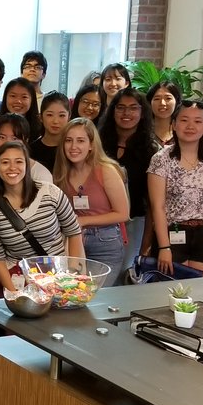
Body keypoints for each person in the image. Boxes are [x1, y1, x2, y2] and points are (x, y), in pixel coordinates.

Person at [0, 141, 85, 291]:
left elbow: (73, 231)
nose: (12, 167)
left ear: (27, 166)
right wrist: (14, 293)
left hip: (59, 276)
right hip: (21, 280)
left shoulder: (50, 192)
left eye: (19, 161)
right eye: (5, 162)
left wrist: (72, 274)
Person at [147, 100, 203, 276]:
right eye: (184, 120)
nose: (191, 126)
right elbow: (158, 206)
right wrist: (164, 246)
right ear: (174, 125)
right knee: (173, 294)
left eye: (198, 121)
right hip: (172, 233)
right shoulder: (160, 159)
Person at [52, 118, 130, 286]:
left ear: (91, 145)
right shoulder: (61, 173)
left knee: (93, 296)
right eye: (69, 140)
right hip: (72, 241)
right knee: (73, 295)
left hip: (105, 243)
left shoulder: (106, 170)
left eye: (80, 141)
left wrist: (83, 221)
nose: (73, 147)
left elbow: (123, 214)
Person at [98, 88, 161, 267]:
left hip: (134, 222)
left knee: (125, 273)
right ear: (113, 112)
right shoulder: (99, 144)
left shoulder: (152, 150)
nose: (126, 113)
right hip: (99, 221)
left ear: (142, 113)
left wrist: (146, 243)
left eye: (133, 108)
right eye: (121, 108)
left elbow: (152, 202)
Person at [29, 91, 70, 171]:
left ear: (69, 117)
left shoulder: (72, 148)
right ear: (40, 117)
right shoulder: (30, 150)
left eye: (61, 115)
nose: (55, 121)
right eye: (50, 115)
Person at [0, 77, 42, 142]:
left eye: (24, 97)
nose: (18, 101)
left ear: (32, 100)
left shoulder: (40, 128)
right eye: (13, 96)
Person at [147, 81, 182, 146]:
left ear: (176, 101)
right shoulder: (143, 132)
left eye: (168, 98)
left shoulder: (183, 132)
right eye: (157, 99)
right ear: (149, 103)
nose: (162, 103)